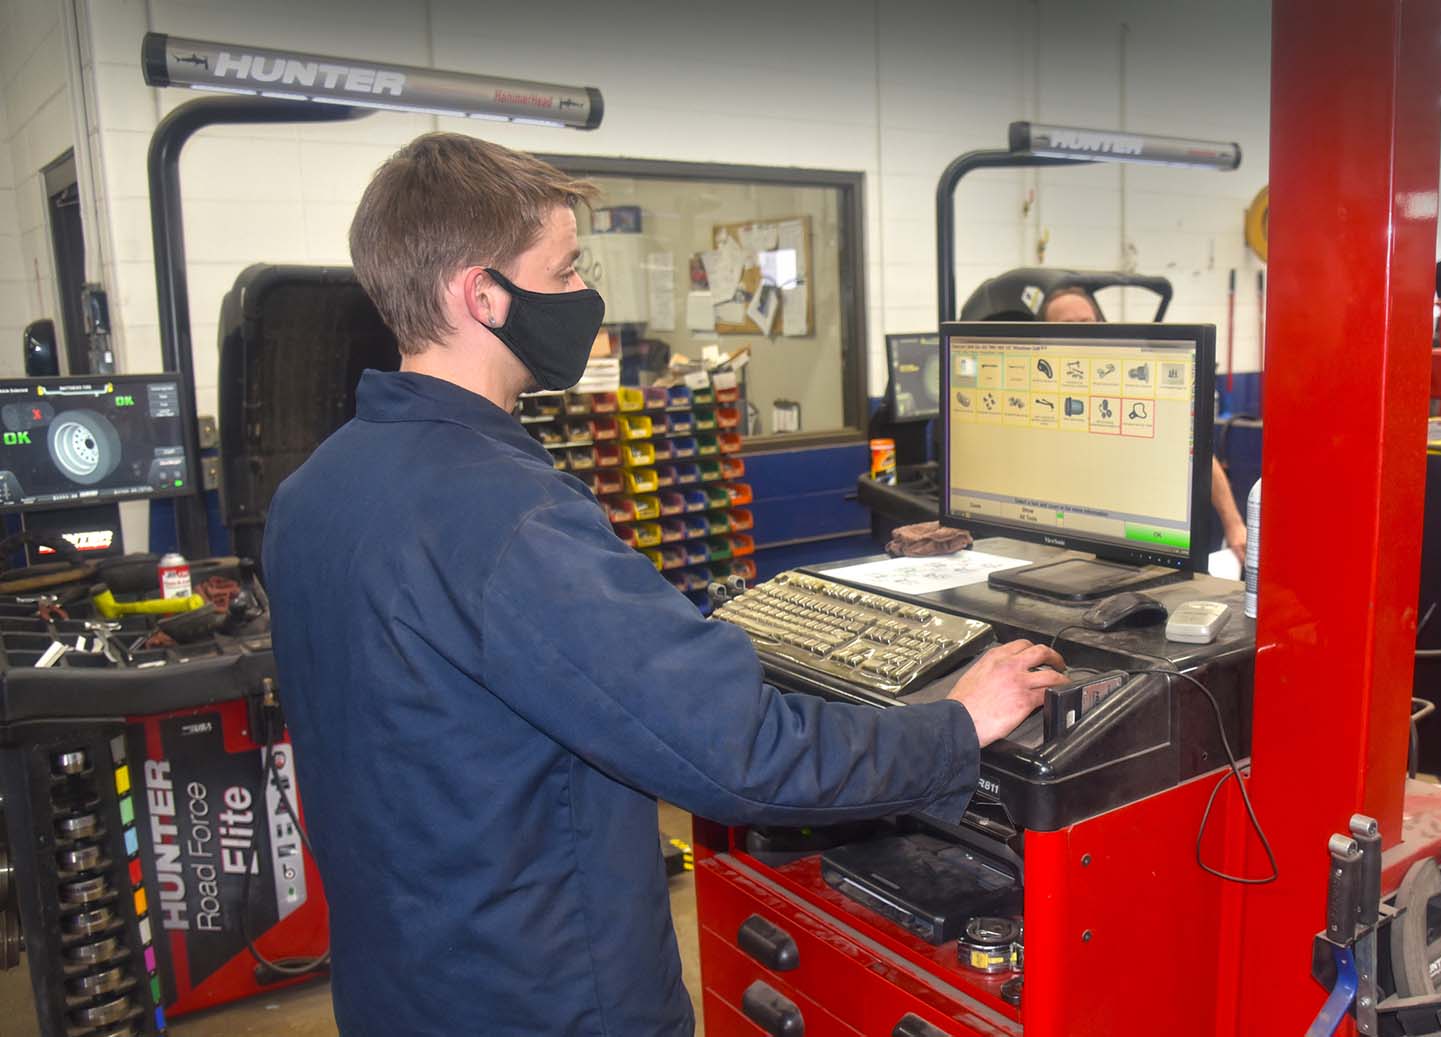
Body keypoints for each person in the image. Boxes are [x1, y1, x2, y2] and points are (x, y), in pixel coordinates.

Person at [262, 132, 1070, 1037]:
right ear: (481, 294)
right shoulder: (507, 517)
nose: (582, 298)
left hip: (396, 987)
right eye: (565, 271)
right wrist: (953, 726)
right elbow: (741, 753)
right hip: (543, 1000)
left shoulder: (313, 492)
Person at [1041, 287, 1249, 563]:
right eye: (1066, 326)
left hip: (1128, 540)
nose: (1081, 333)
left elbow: (1196, 454)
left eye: (1086, 323)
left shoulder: (1133, 382)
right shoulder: (1037, 394)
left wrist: (1234, 524)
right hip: (1054, 542)